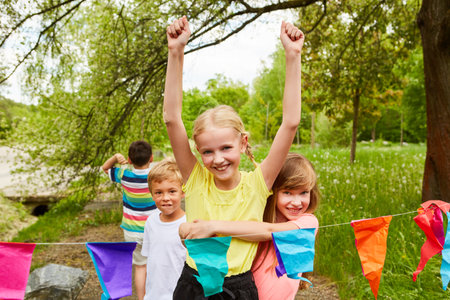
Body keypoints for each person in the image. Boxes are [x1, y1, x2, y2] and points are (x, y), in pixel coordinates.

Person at [164, 15, 304, 299]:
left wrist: (293, 56)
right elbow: (171, 119)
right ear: (198, 152)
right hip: (193, 285)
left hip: (239, 288)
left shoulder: (258, 183)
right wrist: (175, 52)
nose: (217, 159)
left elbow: (290, 122)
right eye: (207, 151)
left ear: (243, 143)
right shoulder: (195, 179)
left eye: (226, 148)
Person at [179, 153, 319, 300]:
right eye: (287, 192)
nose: (297, 202)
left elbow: (268, 231)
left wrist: (213, 226)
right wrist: (186, 231)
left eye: (304, 192)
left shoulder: (308, 223)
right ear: (273, 192)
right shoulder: (257, 218)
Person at [101, 140, 155, 300]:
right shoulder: (155, 176)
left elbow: (105, 168)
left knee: (140, 267)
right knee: (157, 264)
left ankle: (142, 298)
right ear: (151, 158)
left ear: (129, 160)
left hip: (131, 232)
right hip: (154, 230)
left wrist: (115, 157)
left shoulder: (124, 175)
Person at [141, 157, 186, 300]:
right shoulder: (150, 222)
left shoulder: (189, 224)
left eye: (172, 191)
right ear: (152, 194)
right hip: (153, 295)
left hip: (180, 294)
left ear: (182, 192)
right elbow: (149, 262)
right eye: (158, 192)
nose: (165, 198)